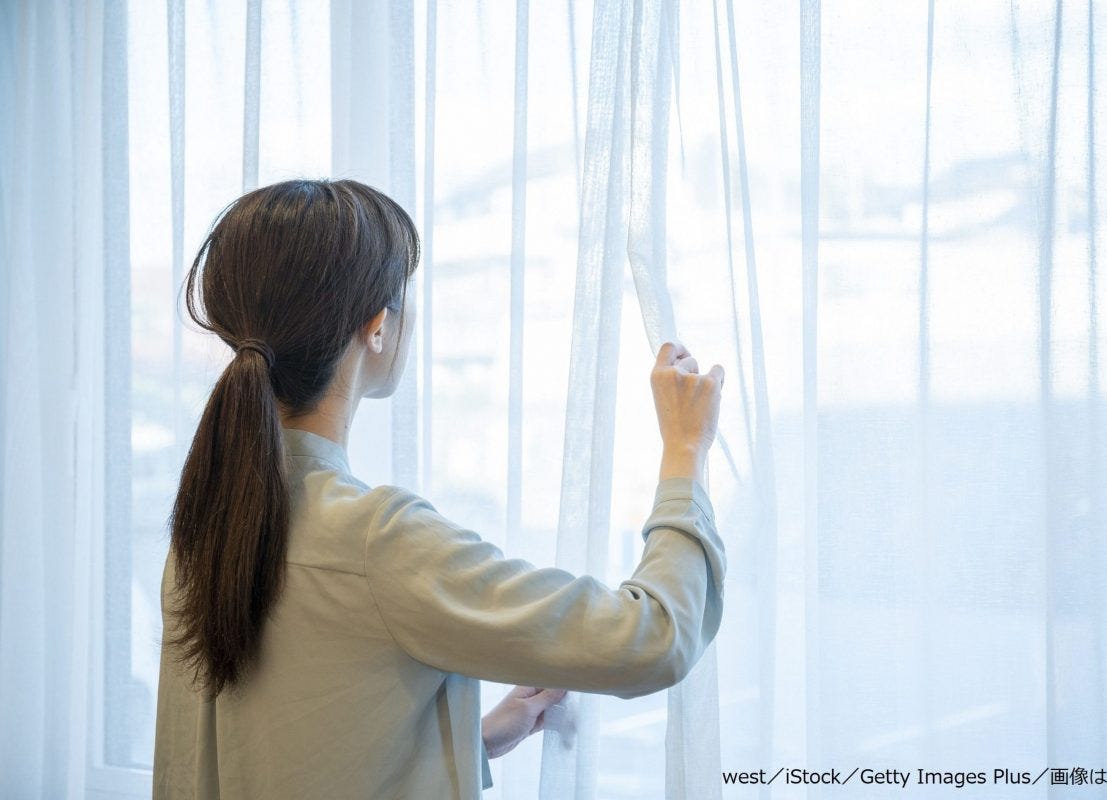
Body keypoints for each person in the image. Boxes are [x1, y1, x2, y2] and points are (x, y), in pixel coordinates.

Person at [152, 178, 727, 799]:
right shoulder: (376, 541)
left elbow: (285, 755)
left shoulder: (206, 528)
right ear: (377, 326)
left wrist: (468, 739)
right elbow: (651, 639)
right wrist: (684, 455)